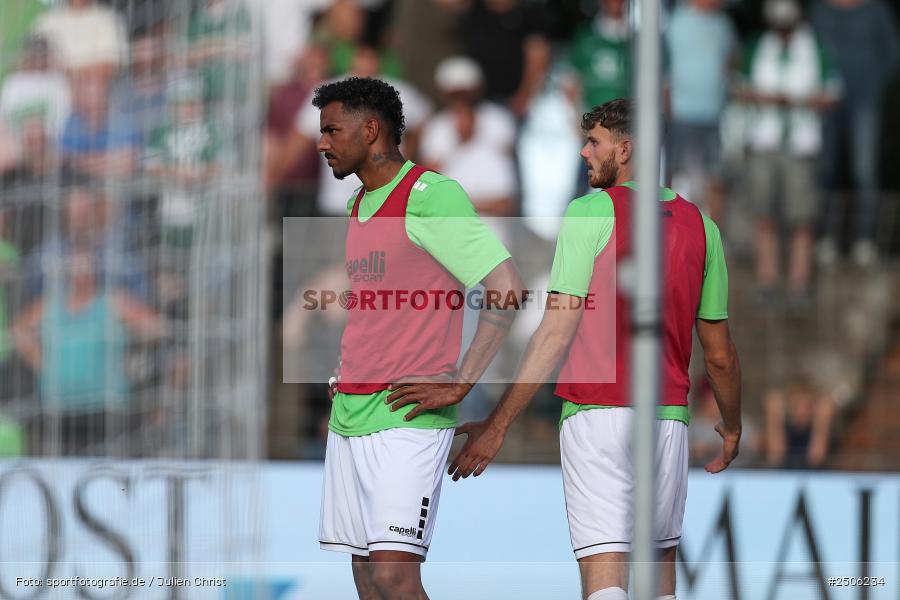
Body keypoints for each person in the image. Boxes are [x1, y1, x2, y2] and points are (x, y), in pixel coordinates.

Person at [448, 99, 743, 600]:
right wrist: (732, 425)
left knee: (605, 581)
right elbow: (719, 355)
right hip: (667, 417)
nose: (584, 152)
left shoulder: (588, 211)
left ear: (625, 150)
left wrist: (497, 426)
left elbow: (556, 331)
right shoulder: (703, 226)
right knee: (660, 583)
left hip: (596, 415)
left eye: (594, 143)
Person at [311, 77, 524, 600]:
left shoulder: (431, 195)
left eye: (332, 130)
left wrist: (461, 383)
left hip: (407, 416)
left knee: (394, 578)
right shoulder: (358, 203)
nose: (321, 143)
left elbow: (506, 288)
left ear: (371, 129)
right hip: (350, 413)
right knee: (366, 580)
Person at [736, 0, 841, 306]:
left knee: (801, 217)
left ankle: (798, 284)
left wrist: (796, 101)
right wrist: (765, 98)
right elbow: (739, 87)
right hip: (764, 139)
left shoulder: (814, 46)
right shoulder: (758, 45)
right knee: (763, 213)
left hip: (800, 143)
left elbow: (832, 93)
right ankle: (767, 281)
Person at [811, 0, 899, 266]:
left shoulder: (877, 10)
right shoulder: (819, 10)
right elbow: (809, 50)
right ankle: (825, 237)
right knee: (826, 168)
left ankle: (865, 240)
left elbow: (892, 53)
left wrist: (872, 83)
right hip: (827, 102)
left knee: (864, 169)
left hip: (865, 101)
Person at [665, 0, 739, 223]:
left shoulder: (723, 23)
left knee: (716, 178)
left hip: (715, 115)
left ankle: (714, 241)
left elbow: (732, 59)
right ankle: (672, 236)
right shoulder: (673, 22)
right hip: (679, 115)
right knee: (676, 176)